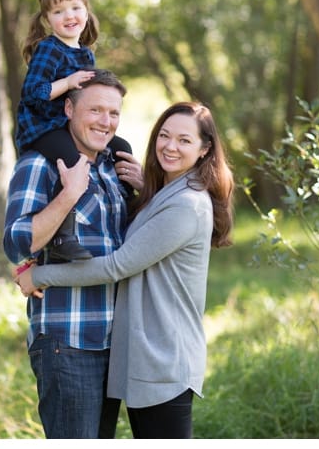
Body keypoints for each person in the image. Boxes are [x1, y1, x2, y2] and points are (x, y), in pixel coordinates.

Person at [17, 102, 235, 439]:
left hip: (164, 358)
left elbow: (118, 265)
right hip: (148, 354)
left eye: (184, 140)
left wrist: (39, 276)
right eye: (164, 136)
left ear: (205, 149)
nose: (170, 146)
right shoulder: (169, 193)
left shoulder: (187, 205)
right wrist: (147, 186)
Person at [2, 70, 144, 438]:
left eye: (113, 113)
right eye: (95, 110)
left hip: (113, 339)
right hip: (67, 340)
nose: (106, 121)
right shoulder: (40, 164)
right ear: (68, 108)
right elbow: (16, 242)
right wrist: (68, 195)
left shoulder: (113, 169)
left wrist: (146, 192)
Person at [15, 0, 133, 262]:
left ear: (86, 12)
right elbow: (33, 94)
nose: (69, 16)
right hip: (43, 126)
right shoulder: (49, 49)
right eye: (58, 11)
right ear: (47, 20)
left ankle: (130, 212)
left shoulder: (86, 53)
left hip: (68, 124)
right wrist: (67, 82)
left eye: (75, 7)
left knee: (122, 147)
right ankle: (61, 236)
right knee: (73, 161)